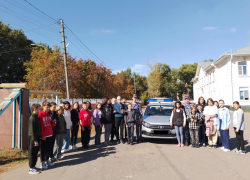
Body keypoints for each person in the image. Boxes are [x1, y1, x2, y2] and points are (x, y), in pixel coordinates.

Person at [38, 101, 56, 170]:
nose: (48, 108)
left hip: (50, 134)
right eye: (46, 107)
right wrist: (42, 135)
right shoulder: (40, 115)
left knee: (49, 148)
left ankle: (47, 160)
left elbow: (52, 124)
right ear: (43, 107)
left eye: (48, 107)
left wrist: (54, 122)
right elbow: (40, 126)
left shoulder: (48, 115)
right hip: (44, 135)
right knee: (43, 149)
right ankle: (42, 162)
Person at [28, 103, 42, 174]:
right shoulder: (32, 118)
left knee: (36, 152)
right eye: (39, 109)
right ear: (35, 109)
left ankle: (33, 166)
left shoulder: (36, 117)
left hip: (37, 137)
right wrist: (35, 140)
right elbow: (32, 130)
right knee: (32, 153)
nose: (40, 110)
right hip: (33, 138)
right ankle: (31, 168)